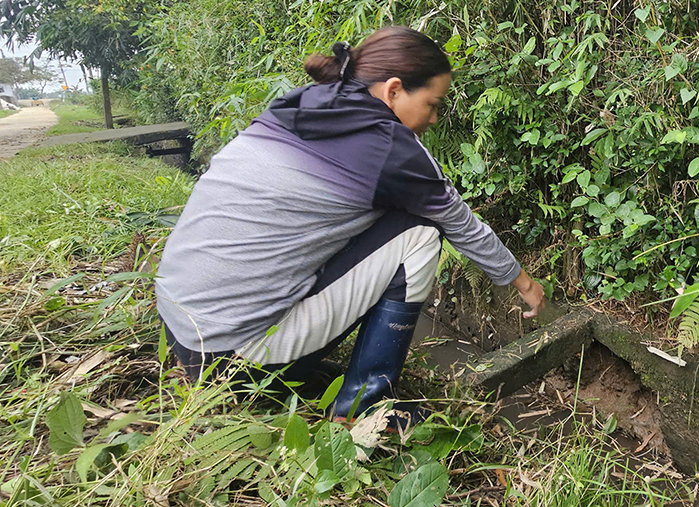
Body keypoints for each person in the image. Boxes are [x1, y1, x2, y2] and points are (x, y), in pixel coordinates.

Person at [154, 26, 546, 423]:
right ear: (393, 90)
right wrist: (526, 285)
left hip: (181, 335)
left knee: (378, 217)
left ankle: (297, 366)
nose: (434, 118)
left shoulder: (299, 104)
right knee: (422, 233)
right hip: (234, 363)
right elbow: (462, 226)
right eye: (432, 103)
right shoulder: (392, 149)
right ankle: (365, 408)